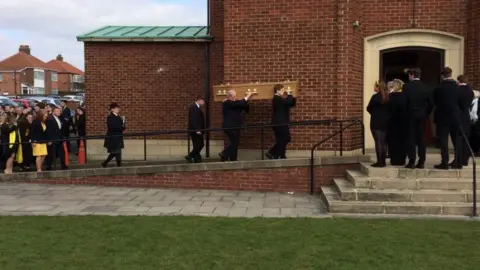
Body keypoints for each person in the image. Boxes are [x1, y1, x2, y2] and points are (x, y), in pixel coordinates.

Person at [403, 68, 433, 169]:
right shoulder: (426, 87)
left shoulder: (407, 86)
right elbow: (431, 103)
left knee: (411, 138)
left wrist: (405, 113)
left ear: (411, 75)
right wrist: (426, 113)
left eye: (409, 75)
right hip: (422, 115)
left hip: (410, 115)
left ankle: (411, 161)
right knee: (421, 138)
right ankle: (421, 161)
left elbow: (404, 102)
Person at [433, 67, 461, 170]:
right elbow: (461, 102)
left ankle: (444, 162)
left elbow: (435, 102)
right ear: (451, 74)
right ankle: (458, 161)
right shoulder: (457, 87)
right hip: (455, 116)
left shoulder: (438, 88)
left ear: (442, 75)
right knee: (456, 140)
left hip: (442, 117)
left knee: (443, 140)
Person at [219, 90, 253, 162]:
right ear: (229, 97)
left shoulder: (235, 103)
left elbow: (245, 108)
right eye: (234, 96)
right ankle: (224, 153)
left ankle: (233, 159)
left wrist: (245, 102)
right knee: (235, 142)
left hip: (236, 126)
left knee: (235, 143)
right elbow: (240, 103)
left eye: (235, 96)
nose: (235, 97)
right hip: (230, 127)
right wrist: (247, 96)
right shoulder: (226, 103)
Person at [266, 84, 296, 160]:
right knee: (284, 138)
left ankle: (279, 154)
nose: (283, 91)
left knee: (285, 138)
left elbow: (291, 104)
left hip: (283, 122)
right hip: (279, 123)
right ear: (277, 91)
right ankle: (273, 152)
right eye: (282, 90)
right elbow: (288, 102)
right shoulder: (277, 98)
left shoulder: (281, 99)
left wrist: (293, 96)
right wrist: (289, 94)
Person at [451, 75, 474, 167]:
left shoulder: (457, 90)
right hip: (466, 117)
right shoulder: (470, 91)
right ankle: (464, 159)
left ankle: (458, 160)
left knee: (458, 140)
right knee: (465, 140)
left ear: (458, 81)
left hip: (458, 117)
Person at [367, 81, 389, 167]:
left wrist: (375, 113)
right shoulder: (387, 97)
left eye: (375, 86)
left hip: (376, 121)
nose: (374, 88)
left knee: (378, 142)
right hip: (385, 121)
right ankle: (383, 161)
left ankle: (379, 162)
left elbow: (368, 108)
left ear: (378, 88)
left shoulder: (375, 97)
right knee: (383, 141)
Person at [387, 79, 407, 166]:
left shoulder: (390, 96)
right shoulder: (405, 96)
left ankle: (394, 160)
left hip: (392, 122)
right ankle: (402, 160)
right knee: (402, 141)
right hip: (403, 122)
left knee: (392, 141)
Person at [101, 103, 125, 167]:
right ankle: (118, 165)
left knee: (117, 151)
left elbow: (123, 128)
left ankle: (105, 163)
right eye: (116, 108)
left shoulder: (119, 117)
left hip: (118, 136)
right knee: (116, 152)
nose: (118, 109)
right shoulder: (110, 117)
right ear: (112, 109)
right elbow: (113, 127)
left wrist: (123, 122)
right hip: (113, 137)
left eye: (118, 108)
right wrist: (120, 127)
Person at [186, 96, 205, 163]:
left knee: (198, 144)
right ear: (199, 100)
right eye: (203, 101)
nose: (203, 103)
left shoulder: (196, 107)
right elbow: (193, 119)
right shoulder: (194, 107)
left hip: (197, 129)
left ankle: (196, 158)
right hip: (196, 130)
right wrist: (197, 129)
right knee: (200, 144)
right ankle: (190, 155)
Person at [469, 90, 480, 155]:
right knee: (472, 137)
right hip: (471, 122)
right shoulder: (470, 102)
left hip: (477, 122)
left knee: (477, 136)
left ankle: (477, 150)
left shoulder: (478, 102)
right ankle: (473, 150)